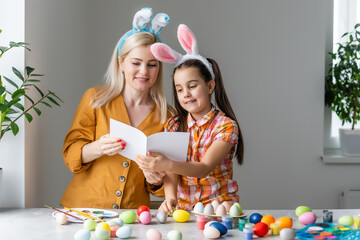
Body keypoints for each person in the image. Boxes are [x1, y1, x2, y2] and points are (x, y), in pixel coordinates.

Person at [60, 8, 173, 209]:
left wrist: (154, 177)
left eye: (152, 65)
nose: (143, 71)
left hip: (133, 215)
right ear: (121, 63)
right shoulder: (95, 99)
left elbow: (165, 186)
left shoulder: (168, 116)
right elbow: (71, 156)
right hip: (83, 211)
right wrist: (98, 147)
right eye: (136, 63)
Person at [136, 24, 244, 213]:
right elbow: (171, 171)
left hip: (220, 207)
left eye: (192, 86)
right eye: (179, 89)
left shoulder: (226, 126)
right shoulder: (174, 124)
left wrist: (165, 163)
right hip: (184, 210)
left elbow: (203, 168)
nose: (186, 94)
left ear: (210, 86)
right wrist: (170, 198)